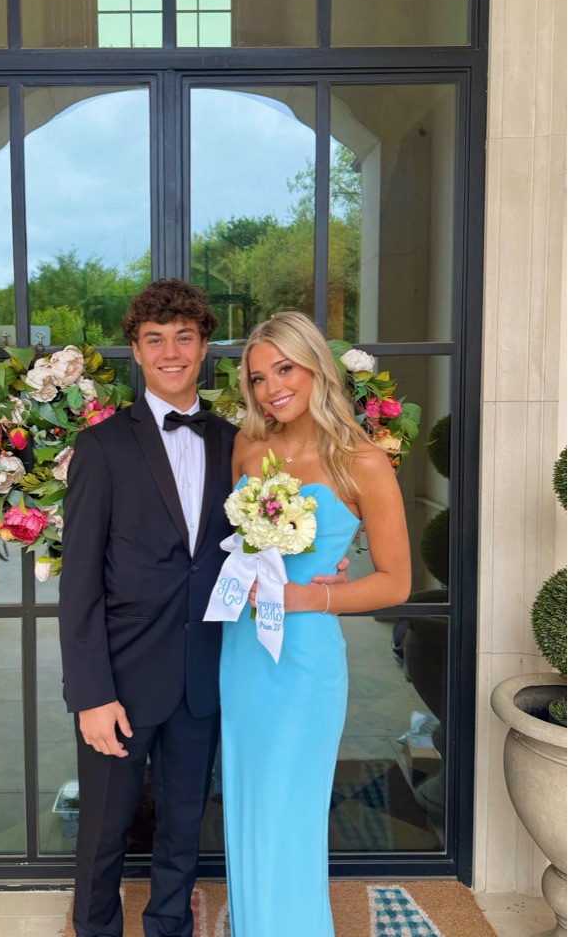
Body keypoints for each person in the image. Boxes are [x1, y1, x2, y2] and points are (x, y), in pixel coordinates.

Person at [59, 281, 346, 937]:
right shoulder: (101, 448)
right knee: (102, 837)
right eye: (154, 339)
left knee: (182, 832)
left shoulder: (239, 445)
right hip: (121, 682)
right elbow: (78, 586)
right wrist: (90, 694)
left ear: (204, 347)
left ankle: (170, 928)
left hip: (206, 673)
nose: (170, 352)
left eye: (183, 337)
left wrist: (327, 566)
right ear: (136, 351)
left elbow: (273, 533)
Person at [220, 310, 412, 936]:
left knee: (289, 814)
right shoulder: (248, 448)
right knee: (249, 808)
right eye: (257, 378)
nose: (270, 388)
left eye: (284, 369)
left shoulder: (364, 462)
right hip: (242, 650)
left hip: (303, 663)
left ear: (315, 368)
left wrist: (314, 598)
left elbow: (396, 582)